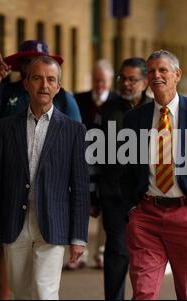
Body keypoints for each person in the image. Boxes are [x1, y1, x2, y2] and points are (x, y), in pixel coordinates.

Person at [0, 40, 81, 300]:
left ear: (57, 84)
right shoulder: (6, 93)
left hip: (49, 207)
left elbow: (76, 157)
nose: (44, 83)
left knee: (45, 291)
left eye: (50, 78)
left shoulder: (64, 101)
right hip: (13, 196)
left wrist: (77, 233)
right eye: (29, 63)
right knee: (19, 284)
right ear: (22, 69)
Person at [121, 50, 187, 300]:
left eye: (163, 70)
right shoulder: (134, 118)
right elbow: (125, 171)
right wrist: (132, 210)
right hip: (146, 216)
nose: (156, 76)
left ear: (177, 75)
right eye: (151, 71)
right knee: (143, 294)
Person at [99, 57, 152, 300]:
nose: (126, 84)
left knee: (146, 257)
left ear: (145, 82)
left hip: (147, 195)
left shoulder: (156, 111)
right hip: (115, 195)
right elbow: (95, 155)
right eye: (123, 78)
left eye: (132, 79)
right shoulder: (107, 110)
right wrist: (92, 195)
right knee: (118, 252)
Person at [70, 60, 117, 270]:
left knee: (106, 209)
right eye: (97, 81)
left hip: (109, 164)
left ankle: (101, 254)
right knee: (80, 207)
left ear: (110, 82)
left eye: (104, 81)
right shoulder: (78, 100)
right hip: (82, 162)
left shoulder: (117, 102)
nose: (100, 85)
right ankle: (78, 254)